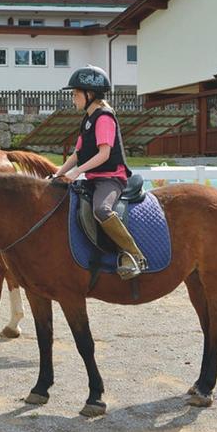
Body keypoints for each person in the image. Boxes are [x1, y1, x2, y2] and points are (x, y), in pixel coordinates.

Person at [54, 65, 147, 280]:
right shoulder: (87, 119)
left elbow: (104, 155)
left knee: (102, 210)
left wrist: (77, 173)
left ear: (90, 94)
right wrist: (58, 174)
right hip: (94, 178)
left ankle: (134, 255)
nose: (73, 98)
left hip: (111, 179)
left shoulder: (104, 118)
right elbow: (77, 154)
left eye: (75, 94)